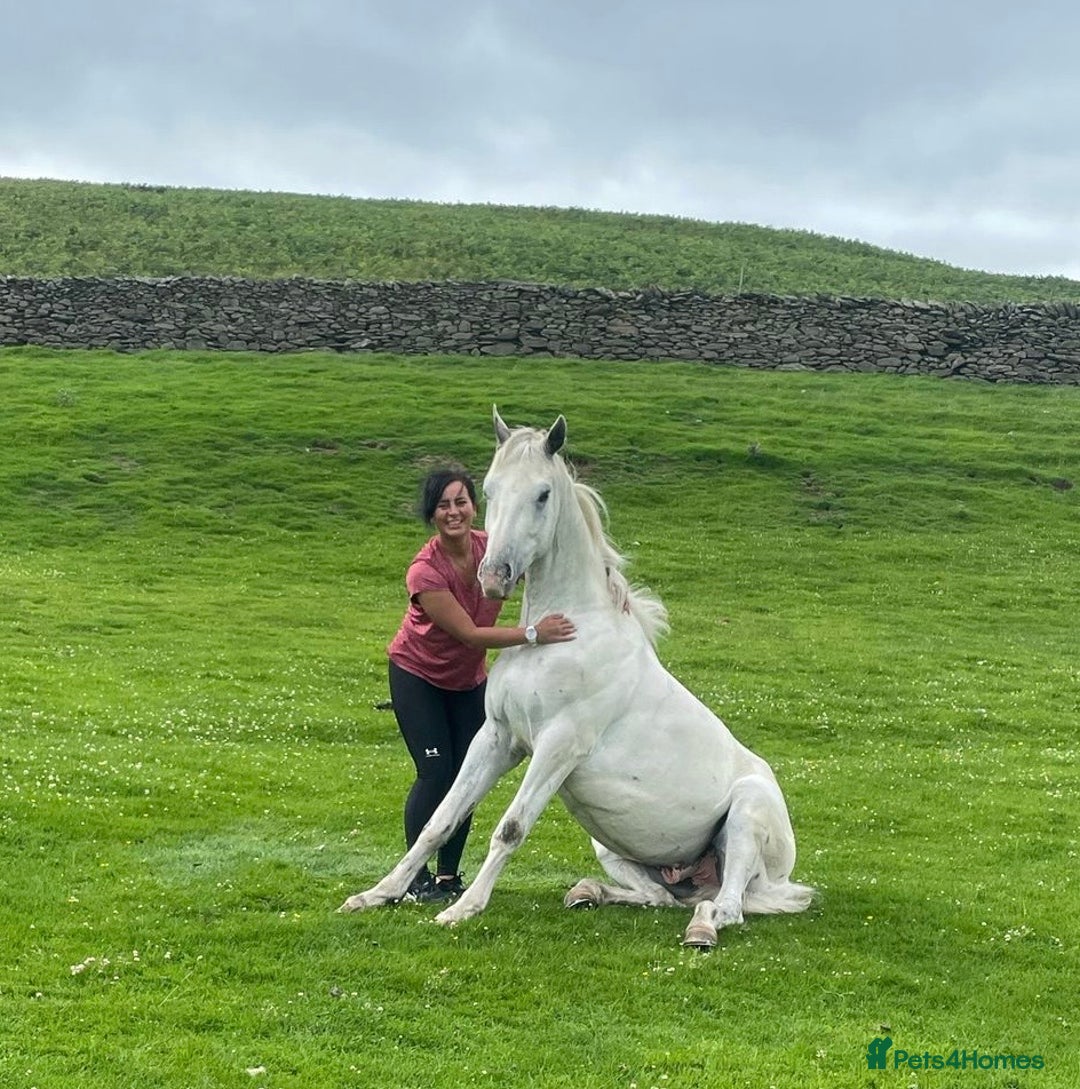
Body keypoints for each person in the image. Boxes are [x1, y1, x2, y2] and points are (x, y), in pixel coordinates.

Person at [385, 465, 576, 903]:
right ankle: (416, 880)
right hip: (420, 678)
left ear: (475, 506)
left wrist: (605, 586)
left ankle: (448, 878)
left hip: (468, 680)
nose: (454, 512)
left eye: (461, 502)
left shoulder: (490, 551)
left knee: (465, 778)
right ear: (431, 514)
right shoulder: (425, 572)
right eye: (443, 505)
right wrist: (533, 633)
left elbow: (547, 565)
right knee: (436, 773)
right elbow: (470, 634)